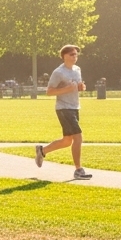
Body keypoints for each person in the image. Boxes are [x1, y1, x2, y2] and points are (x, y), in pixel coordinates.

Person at [35, 45, 92, 180]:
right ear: (64, 56)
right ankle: (78, 170)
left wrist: (80, 87)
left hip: (75, 107)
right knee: (78, 137)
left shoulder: (77, 70)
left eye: (76, 54)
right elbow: (49, 92)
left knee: (67, 141)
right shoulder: (58, 72)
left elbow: (76, 87)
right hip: (63, 108)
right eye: (72, 54)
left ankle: (42, 151)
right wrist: (66, 89)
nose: (75, 56)